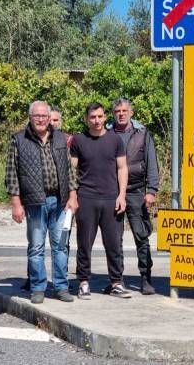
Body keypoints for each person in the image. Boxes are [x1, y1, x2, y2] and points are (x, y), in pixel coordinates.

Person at [5, 101, 78, 304]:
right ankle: (38, 287)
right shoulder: (19, 140)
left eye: (44, 116)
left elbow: (70, 171)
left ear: (49, 118)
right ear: (30, 117)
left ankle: (61, 287)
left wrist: (73, 196)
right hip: (35, 202)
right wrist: (16, 204)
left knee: (61, 246)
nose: (40, 119)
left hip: (61, 201)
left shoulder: (60, 138)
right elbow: (11, 174)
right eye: (36, 116)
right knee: (36, 247)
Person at [70, 102, 130, 299]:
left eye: (100, 116)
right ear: (87, 119)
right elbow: (72, 169)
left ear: (105, 117)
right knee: (84, 243)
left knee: (114, 243)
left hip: (111, 198)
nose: (96, 120)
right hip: (86, 198)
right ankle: (84, 282)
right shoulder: (79, 140)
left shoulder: (115, 140)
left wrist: (121, 195)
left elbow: (122, 168)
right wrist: (73, 195)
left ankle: (116, 282)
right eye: (92, 117)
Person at [110, 98, 160, 295]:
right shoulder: (106, 134)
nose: (121, 114)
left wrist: (152, 190)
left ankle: (146, 277)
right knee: (114, 238)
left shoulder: (142, 133)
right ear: (113, 113)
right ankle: (117, 279)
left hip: (137, 191)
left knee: (142, 236)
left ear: (131, 112)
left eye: (124, 110)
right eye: (117, 111)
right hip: (112, 193)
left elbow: (151, 162)